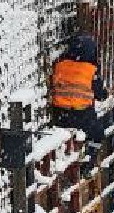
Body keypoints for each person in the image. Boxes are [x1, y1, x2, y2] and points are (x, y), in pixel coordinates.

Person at [47, 35, 110, 164]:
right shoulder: (91, 71)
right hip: (81, 115)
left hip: (59, 114)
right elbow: (99, 95)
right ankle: (89, 161)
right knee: (98, 133)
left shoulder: (60, 66)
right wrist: (105, 93)